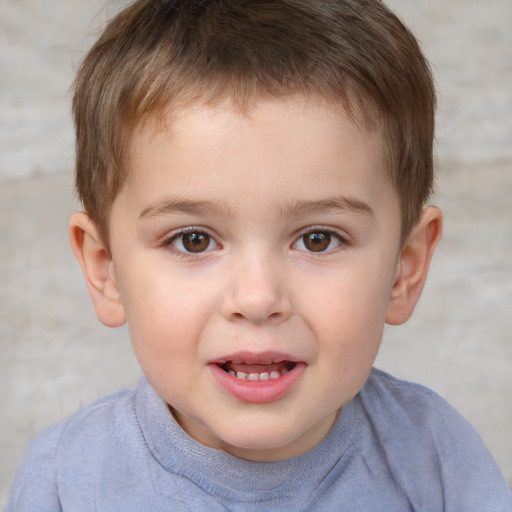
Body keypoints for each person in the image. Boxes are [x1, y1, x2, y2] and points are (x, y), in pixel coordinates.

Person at [6, 0, 511, 510]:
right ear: (105, 270)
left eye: (318, 239)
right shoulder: (65, 483)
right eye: (193, 240)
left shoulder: (438, 463)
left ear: (405, 268)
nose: (257, 298)